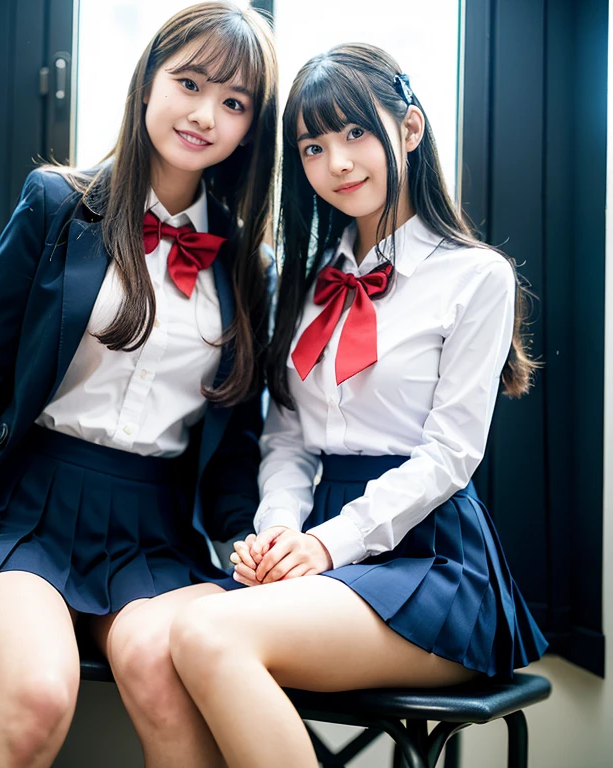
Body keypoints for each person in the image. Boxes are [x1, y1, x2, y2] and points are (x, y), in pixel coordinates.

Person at [0, 3, 277, 766]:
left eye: (235, 102)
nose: (205, 114)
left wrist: (253, 547)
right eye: (189, 82)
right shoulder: (56, 204)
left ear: (252, 127)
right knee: (38, 695)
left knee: (163, 675)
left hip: (155, 532)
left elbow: (235, 450)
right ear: (149, 78)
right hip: (25, 510)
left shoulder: (250, 267)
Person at [168, 43, 549, 768]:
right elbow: (287, 440)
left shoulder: (476, 277)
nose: (337, 163)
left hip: (432, 558)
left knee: (209, 634)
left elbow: (450, 456)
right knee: (171, 637)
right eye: (312, 146)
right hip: (321, 543)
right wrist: (279, 534)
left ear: (408, 129)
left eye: (355, 133)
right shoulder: (303, 286)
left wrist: (326, 543)